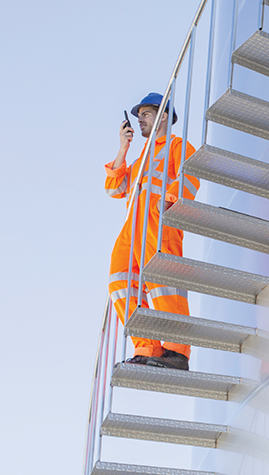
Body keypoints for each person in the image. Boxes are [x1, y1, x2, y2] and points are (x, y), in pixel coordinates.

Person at [105, 93, 199, 370]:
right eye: (139, 116)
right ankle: (148, 347)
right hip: (133, 228)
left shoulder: (177, 145)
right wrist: (123, 148)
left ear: (163, 115)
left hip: (159, 223)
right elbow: (114, 189)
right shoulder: (140, 160)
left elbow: (189, 178)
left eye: (145, 114)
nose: (140, 120)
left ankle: (177, 350)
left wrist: (166, 205)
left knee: (163, 282)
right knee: (120, 282)